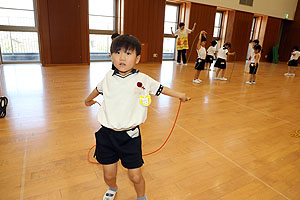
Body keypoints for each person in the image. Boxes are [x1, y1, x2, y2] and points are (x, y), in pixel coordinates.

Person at [84, 34, 191, 200]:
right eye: (117, 52)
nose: (122, 57)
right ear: (111, 55)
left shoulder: (142, 79)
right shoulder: (108, 77)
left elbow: (161, 88)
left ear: (137, 58)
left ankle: (141, 196)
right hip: (106, 135)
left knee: (135, 176)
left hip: (130, 137)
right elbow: (98, 89)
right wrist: (88, 99)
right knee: (109, 175)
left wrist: (180, 94)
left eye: (128, 53)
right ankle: (112, 188)